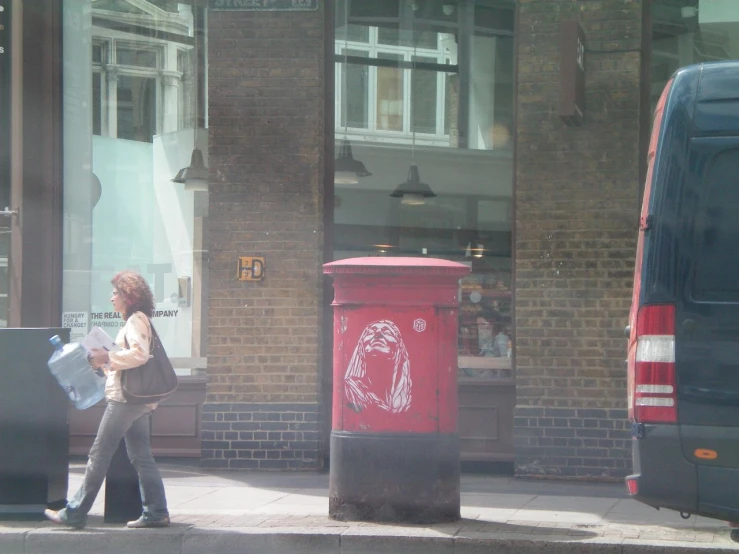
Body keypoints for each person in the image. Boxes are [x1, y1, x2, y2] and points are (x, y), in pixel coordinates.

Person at [45, 270, 170, 529]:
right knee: (141, 457)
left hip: (125, 400)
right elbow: (129, 360)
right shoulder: (135, 320)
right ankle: (157, 512)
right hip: (136, 399)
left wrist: (106, 357)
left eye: (115, 293)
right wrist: (102, 362)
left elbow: (139, 355)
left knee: (99, 455)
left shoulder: (136, 320)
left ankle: (76, 512)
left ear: (128, 296)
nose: (111, 298)